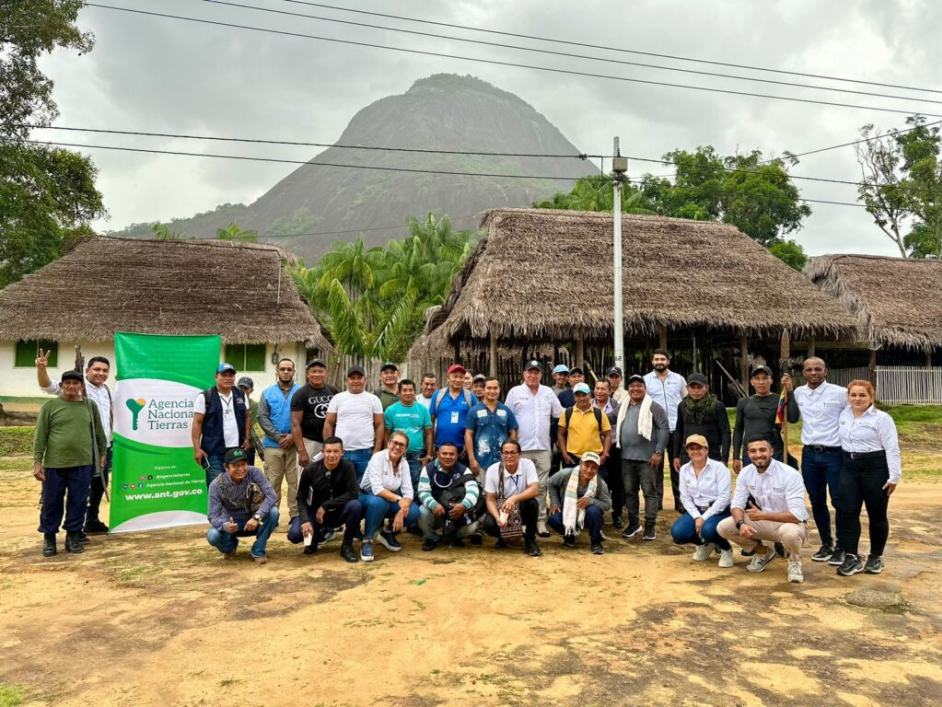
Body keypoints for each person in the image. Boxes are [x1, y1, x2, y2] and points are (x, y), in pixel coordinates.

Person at [36, 349, 113, 535]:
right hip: (81, 449)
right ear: (87, 370)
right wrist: (41, 369)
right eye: (96, 369)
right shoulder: (76, 385)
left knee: (97, 487)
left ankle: (91, 520)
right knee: (74, 490)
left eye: (105, 370)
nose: (101, 373)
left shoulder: (107, 390)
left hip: (104, 447)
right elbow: (47, 385)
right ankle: (69, 530)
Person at [717, 436, 809, 584]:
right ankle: (764, 553)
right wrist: (741, 524)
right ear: (748, 454)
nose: (758, 455)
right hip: (763, 521)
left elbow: (797, 515)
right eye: (753, 451)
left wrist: (763, 515)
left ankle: (794, 562)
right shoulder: (746, 473)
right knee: (724, 527)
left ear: (771, 451)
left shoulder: (789, 474)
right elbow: (736, 505)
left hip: (790, 523)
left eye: (762, 450)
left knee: (790, 533)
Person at [835, 380, 901, 577]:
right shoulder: (844, 414)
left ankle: (875, 556)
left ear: (871, 397)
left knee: (877, 513)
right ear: (848, 397)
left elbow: (892, 447)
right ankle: (852, 556)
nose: (857, 399)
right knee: (848, 511)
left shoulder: (882, 419)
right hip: (849, 467)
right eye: (853, 395)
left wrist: (894, 476)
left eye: (862, 395)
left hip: (875, 467)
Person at [793, 357, 849, 566]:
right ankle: (827, 543)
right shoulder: (798, 393)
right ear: (804, 372)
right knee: (816, 501)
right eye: (809, 369)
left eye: (818, 369)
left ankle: (843, 546)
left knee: (838, 501)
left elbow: (852, 415)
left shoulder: (839, 393)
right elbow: (790, 416)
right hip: (809, 455)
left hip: (834, 454)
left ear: (826, 370)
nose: (813, 373)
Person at [505, 360, 563, 537]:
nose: (533, 375)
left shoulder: (548, 393)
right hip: (521, 449)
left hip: (544, 448)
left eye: (536, 372)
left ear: (541, 375)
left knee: (541, 486)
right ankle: (521, 522)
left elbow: (560, 414)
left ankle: (540, 522)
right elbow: (507, 418)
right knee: (520, 486)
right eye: (530, 372)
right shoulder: (515, 392)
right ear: (524, 374)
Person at [287, 436, 361, 562]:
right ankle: (316, 538)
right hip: (315, 513)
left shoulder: (348, 467)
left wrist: (326, 506)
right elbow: (300, 497)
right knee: (294, 535)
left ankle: (347, 545)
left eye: (336, 451)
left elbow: (353, 493)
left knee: (355, 506)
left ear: (342, 453)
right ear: (323, 452)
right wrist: (305, 520)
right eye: (328, 451)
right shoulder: (310, 470)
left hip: (338, 512)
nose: (332, 455)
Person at [614, 374, 669, 541]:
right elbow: (608, 418)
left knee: (649, 492)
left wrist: (658, 451)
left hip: (648, 459)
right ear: (628, 389)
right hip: (626, 457)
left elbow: (664, 428)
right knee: (630, 492)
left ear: (645, 388)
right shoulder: (623, 406)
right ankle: (634, 523)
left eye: (639, 385)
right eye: (632, 386)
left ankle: (650, 526)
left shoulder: (653, 406)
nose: (635, 389)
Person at [670, 435, 734, 568]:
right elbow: (685, 497)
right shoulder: (684, 470)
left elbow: (724, 498)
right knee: (678, 533)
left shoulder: (719, 468)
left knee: (708, 529)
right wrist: (697, 516)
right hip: (697, 510)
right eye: (691, 448)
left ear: (706, 450)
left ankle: (726, 549)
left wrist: (704, 517)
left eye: (699, 448)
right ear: (687, 452)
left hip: (719, 510)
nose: (695, 451)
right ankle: (705, 544)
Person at [206, 448, 280, 564]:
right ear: (226, 467)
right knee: (213, 536)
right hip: (231, 525)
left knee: (274, 512)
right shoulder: (215, 485)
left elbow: (272, 496)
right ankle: (230, 546)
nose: (241, 469)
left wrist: (257, 517)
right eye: (235, 465)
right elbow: (212, 515)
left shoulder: (254, 472)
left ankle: (258, 550)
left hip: (255, 522)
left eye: (243, 464)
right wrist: (226, 526)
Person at [358, 432, 420, 562]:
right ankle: (367, 540)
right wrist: (399, 500)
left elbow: (409, 492)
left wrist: (401, 511)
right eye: (395, 443)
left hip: (388, 498)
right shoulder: (378, 457)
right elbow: (377, 489)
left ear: (405, 449)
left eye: (401, 445)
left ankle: (387, 532)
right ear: (388, 443)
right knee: (379, 503)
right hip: (367, 496)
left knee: (413, 511)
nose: (397, 447)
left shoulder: (404, 464)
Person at [192, 362, 251, 486]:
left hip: (237, 450)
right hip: (214, 451)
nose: (228, 378)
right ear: (216, 377)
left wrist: (247, 437)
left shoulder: (240, 394)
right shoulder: (205, 397)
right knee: (217, 487)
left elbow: (247, 417)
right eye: (224, 375)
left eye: (231, 375)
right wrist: (197, 449)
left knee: (239, 487)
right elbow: (197, 423)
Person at [732, 365, 800, 473]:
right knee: (753, 485)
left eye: (765, 378)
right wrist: (736, 456)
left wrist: (790, 392)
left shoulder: (780, 400)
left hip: (774, 451)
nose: (761, 382)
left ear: (771, 380)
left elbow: (793, 418)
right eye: (757, 379)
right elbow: (738, 430)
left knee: (776, 485)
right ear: (751, 382)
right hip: (751, 451)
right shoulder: (744, 403)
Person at [643, 349, 688, 513]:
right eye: (656, 359)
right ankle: (657, 502)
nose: (659, 362)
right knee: (656, 466)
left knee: (678, 466)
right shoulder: (646, 380)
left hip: (676, 428)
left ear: (668, 361)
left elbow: (686, 401)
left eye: (662, 359)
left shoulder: (679, 379)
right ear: (652, 361)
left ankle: (680, 501)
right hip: (656, 430)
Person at [480, 440, 542, 557]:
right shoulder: (493, 470)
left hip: (521, 505)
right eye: (506, 453)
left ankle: (530, 540)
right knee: (488, 524)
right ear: (501, 455)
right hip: (502, 508)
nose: (509, 456)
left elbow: (534, 490)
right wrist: (498, 517)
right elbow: (489, 499)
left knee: (532, 503)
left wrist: (513, 499)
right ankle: (502, 537)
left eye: (513, 452)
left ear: (519, 454)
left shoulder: (528, 465)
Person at [258, 358, 302, 520]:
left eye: (289, 369)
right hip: (272, 445)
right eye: (282, 369)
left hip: (296, 445)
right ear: (277, 371)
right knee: (272, 483)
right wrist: (277, 436)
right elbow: (262, 417)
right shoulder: (267, 393)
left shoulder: (301, 391)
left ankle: (295, 516)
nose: (285, 372)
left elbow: (306, 417)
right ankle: (272, 516)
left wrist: (293, 436)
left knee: (295, 482)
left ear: (294, 372)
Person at [323, 366, 384, 482]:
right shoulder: (337, 398)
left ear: (365, 380)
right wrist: (329, 447)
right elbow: (329, 423)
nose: (356, 381)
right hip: (342, 452)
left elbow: (380, 424)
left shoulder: (374, 399)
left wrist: (376, 449)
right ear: (347, 380)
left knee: (363, 485)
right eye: (352, 378)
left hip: (365, 451)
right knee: (339, 484)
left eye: (359, 378)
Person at [416, 443, 481, 550]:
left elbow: (473, 492)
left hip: (457, 513)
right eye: (444, 453)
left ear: (457, 456)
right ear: (437, 454)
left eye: (451, 454)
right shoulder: (428, 469)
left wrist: (463, 506)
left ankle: (454, 536)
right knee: (421, 511)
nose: (448, 457)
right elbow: (423, 492)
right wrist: (434, 505)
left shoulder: (464, 470)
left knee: (472, 527)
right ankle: (431, 537)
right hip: (437, 512)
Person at [547, 452, 611, 555]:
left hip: (586, 516)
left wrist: (590, 501)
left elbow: (607, 504)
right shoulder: (567, 474)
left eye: (594, 468)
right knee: (553, 519)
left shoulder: (600, 483)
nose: (589, 470)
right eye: (586, 465)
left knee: (594, 511)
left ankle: (596, 541)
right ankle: (569, 535)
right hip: (567, 512)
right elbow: (551, 483)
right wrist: (554, 502)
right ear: (580, 463)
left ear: (598, 469)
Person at [465, 376, 518, 486]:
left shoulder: (506, 410)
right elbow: (468, 434)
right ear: (483, 390)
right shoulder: (474, 411)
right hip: (481, 461)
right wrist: (472, 459)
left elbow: (512, 432)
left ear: (499, 390)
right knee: (482, 494)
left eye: (495, 388)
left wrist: (511, 454)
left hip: (502, 461)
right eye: (489, 388)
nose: (492, 391)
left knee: (502, 492)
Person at [673, 373, 731, 471]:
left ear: (706, 387)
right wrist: (676, 456)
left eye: (699, 387)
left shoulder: (717, 406)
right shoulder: (682, 406)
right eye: (693, 387)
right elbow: (679, 431)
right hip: (688, 455)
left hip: (712, 454)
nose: (696, 391)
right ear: (687, 388)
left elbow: (725, 432)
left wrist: (724, 458)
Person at [384, 379, 434, 488]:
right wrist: (386, 453)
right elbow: (387, 434)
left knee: (415, 483)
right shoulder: (391, 410)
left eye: (411, 390)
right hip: (396, 454)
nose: (408, 393)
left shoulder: (423, 409)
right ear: (399, 392)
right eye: (405, 390)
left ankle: (414, 504)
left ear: (415, 391)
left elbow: (429, 433)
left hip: (416, 456)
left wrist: (429, 455)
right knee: (394, 483)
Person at [290, 359, 338, 468]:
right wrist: (302, 451)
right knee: (307, 477)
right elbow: (295, 424)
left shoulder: (333, 391)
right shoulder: (300, 394)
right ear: (307, 374)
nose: (317, 374)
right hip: (310, 442)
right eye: (313, 371)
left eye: (320, 371)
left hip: (330, 441)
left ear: (326, 374)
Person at [593, 379, 625, 528]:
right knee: (595, 482)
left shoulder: (616, 406)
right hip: (592, 449)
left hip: (612, 448)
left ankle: (617, 514)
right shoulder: (587, 404)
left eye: (603, 389)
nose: (600, 391)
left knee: (617, 483)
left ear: (609, 391)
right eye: (597, 388)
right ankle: (595, 515)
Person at [558, 383, 612, 468]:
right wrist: (564, 454)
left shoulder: (599, 413)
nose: (581, 398)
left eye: (584, 395)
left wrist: (604, 455)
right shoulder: (567, 413)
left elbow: (607, 435)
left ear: (590, 395)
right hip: (573, 459)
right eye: (578, 396)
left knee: (595, 481)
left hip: (595, 458)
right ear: (574, 397)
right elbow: (561, 434)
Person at [429, 364, 478, 457]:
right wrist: (431, 446)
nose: (458, 380)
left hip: (462, 448)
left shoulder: (470, 397)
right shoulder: (438, 395)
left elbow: (476, 423)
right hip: (441, 447)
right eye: (455, 376)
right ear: (448, 377)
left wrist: (469, 446)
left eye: (461, 377)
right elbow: (431, 422)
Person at [237, 377, 263, 466]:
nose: (242, 390)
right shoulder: (231, 402)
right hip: (231, 444)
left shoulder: (254, 405)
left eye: (245, 388)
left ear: (251, 390)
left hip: (247, 445)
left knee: (247, 474)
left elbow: (246, 424)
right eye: (240, 387)